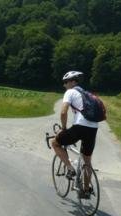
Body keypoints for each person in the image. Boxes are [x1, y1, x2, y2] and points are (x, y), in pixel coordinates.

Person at [51, 71, 98, 199]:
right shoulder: (88, 94)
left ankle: (70, 168)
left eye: (66, 82)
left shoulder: (70, 92)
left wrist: (64, 129)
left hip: (80, 127)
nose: (64, 85)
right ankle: (86, 190)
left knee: (55, 143)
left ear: (73, 82)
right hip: (93, 128)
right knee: (87, 161)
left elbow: (63, 112)